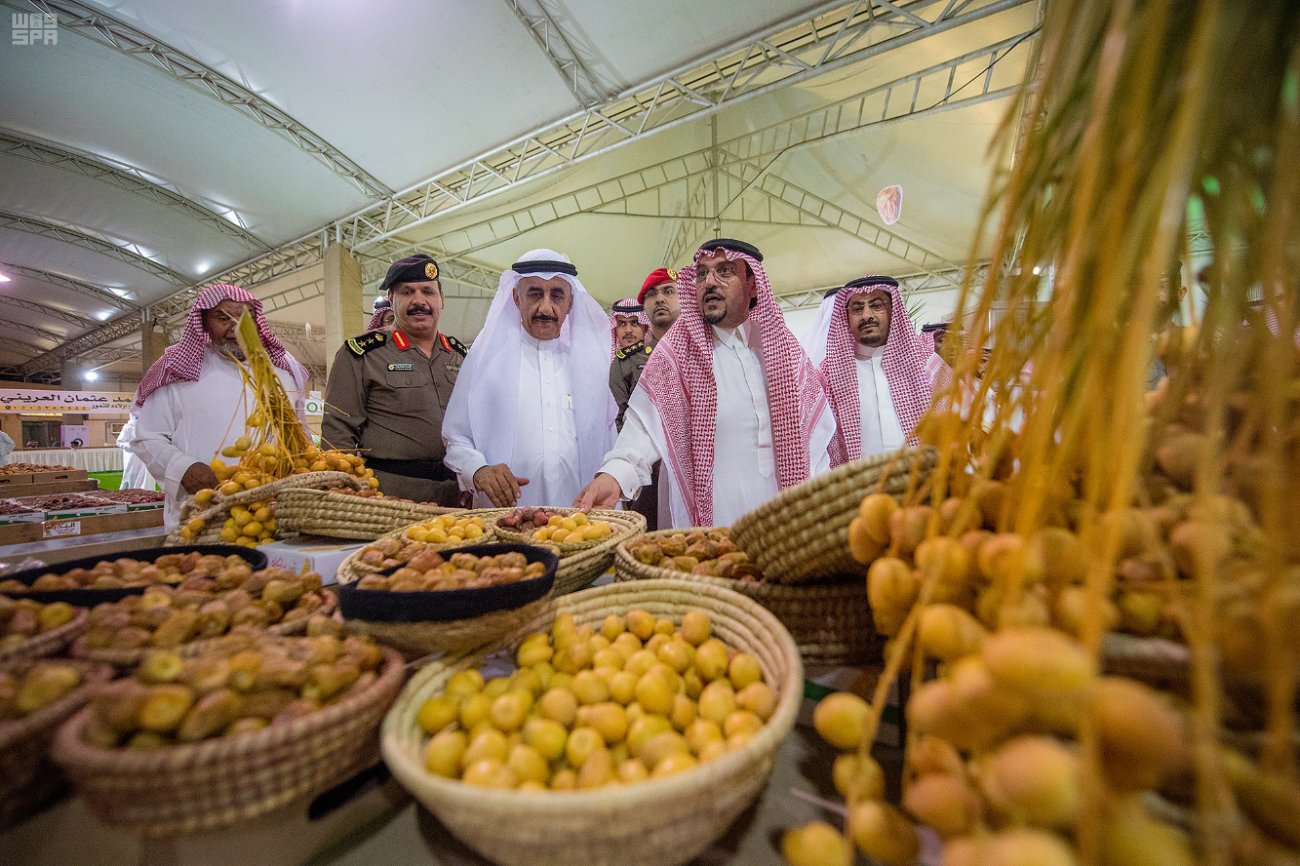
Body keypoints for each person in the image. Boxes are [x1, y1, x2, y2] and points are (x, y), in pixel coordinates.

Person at [575, 239, 836, 527]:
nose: (709, 282)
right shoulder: (677, 354)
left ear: (752, 285)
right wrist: (613, 476)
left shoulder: (785, 351)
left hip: (783, 517)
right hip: (711, 521)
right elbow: (642, 430)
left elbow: (816, 439)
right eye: (702, 274)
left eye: (724, 271)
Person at [443, 249, 615, 508]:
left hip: (581, 520)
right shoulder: (485, 361)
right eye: (535, 293)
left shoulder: (588, 368)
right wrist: (477, 470)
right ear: (516, 297)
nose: (546, 307)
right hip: (504, 518)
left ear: (570, 303)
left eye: (557, 295)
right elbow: (455, 436)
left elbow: (610, 447)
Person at [129, 284, 310, 529]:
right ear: (203, 322)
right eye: (223, 318)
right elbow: (147, 438)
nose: (235, 329)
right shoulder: (176, 369)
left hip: (272, 513)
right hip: (200, 515)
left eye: (245, 319)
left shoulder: (283, 372)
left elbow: (299, 434)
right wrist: (184, 468)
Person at [322, 254, 467, 505]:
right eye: (407, 292)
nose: (419, 301)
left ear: (441, 300)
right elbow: (337, 434)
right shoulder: (362, 354)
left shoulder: (462, 356)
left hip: (455, 496)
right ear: (391, 299)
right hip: (389, 495)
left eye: (428, 292)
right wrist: (346, 492)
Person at [817, 275, 947, 463]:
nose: (866, 315)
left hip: (924, 482)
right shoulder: (828, 375)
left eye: (876, 305)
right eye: (857, 309)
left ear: (893, 311)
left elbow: (956, 426)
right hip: (859, 487)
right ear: (846, 317)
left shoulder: (929, 366)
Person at [607, 268, 682, 529]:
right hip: (648, 470)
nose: (660, 299)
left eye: (668, 291)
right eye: (651, 294)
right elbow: (622, 416)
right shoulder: (628, 360)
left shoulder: (704, 349)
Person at [116, 416, 158, 490]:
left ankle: (147, 493)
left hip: (146, 457)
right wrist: (132, 447)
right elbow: (119, 442)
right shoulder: (128, 428)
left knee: (147, 476)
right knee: (131, 476)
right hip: (132, 458)